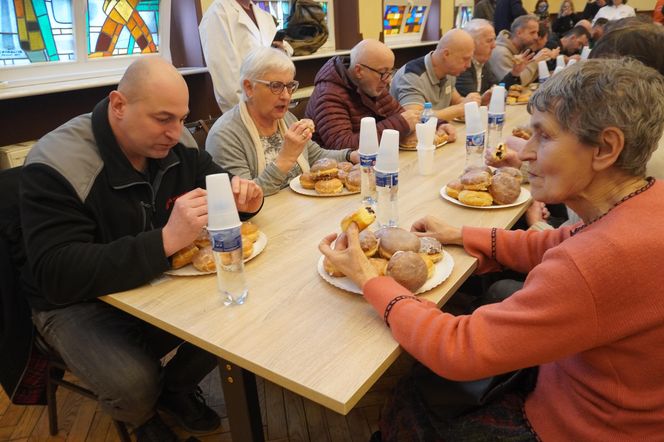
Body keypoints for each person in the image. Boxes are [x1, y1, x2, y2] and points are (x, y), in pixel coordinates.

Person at [320, 58, 664, 441]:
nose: (527, 152)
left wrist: (370, 280)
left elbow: (457, 350)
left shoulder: (599, 261)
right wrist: (460, 233)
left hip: (575, 424)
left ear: (605, 147)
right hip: (592, 383)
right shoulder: (646, 202)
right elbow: (559, 241)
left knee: (414, 397)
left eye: (544, 137)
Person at [19, 57, 264, 441]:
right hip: (73, 302)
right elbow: (57, 273)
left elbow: (219, 182)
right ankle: (141, 414)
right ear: (119, 105)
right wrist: (166, 240)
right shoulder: (57, 162)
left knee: (237, 312)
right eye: (163, 118)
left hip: (147, 276)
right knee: (133, 386)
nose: (175, 132)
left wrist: (244, 195)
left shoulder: (176, 142)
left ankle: (175, 388)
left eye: (182, 119)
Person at [206, 47, 358, 196]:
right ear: (249, 88)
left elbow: (314, 155)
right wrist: (286, 158)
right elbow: (244, 200)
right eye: (276, 86)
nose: (286, 96)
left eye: (290, 86)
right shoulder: (224, 136)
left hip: (300, 209)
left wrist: (350, 156)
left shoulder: (285, 118)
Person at [303, 39, 419, 150]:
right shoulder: (328, 96)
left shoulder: (373, 84)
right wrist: (400, 124)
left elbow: (402, 116)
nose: (388, 80)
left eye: (390, 72)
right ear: (358, 71)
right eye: (383, 73)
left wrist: (435, 124)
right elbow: (343, 147)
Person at [199, 0, 293, 113]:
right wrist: (248, 112)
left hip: (273, 103)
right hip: (243, 108)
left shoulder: (264, 16)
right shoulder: (218, 13)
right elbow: (225, 78)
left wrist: (281, 51)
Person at [390, 29, 482, 122]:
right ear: (446, 54)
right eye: (465, 59)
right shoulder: (411, 76)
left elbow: (457, 100)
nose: (469, 65)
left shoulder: (449, 71)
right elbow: (416, 118)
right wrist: (461, 109)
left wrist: (476, 101)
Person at [456, 19, 531, 96]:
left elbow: (497, 89)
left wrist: (515, 73)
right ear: (472, 43)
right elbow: (472, 99)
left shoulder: (484, 63)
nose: (494, 46)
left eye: (494, 40)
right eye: (489, 41)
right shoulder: (462, 66)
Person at [488, 15, 559, 86]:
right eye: (532, 32)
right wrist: (535, 62)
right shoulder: (501, 53)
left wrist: (542, 60)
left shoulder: (520, 49)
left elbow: (528, 79)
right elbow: (515, 85)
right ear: (519, 33)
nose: (536, 37)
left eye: (537, 32)